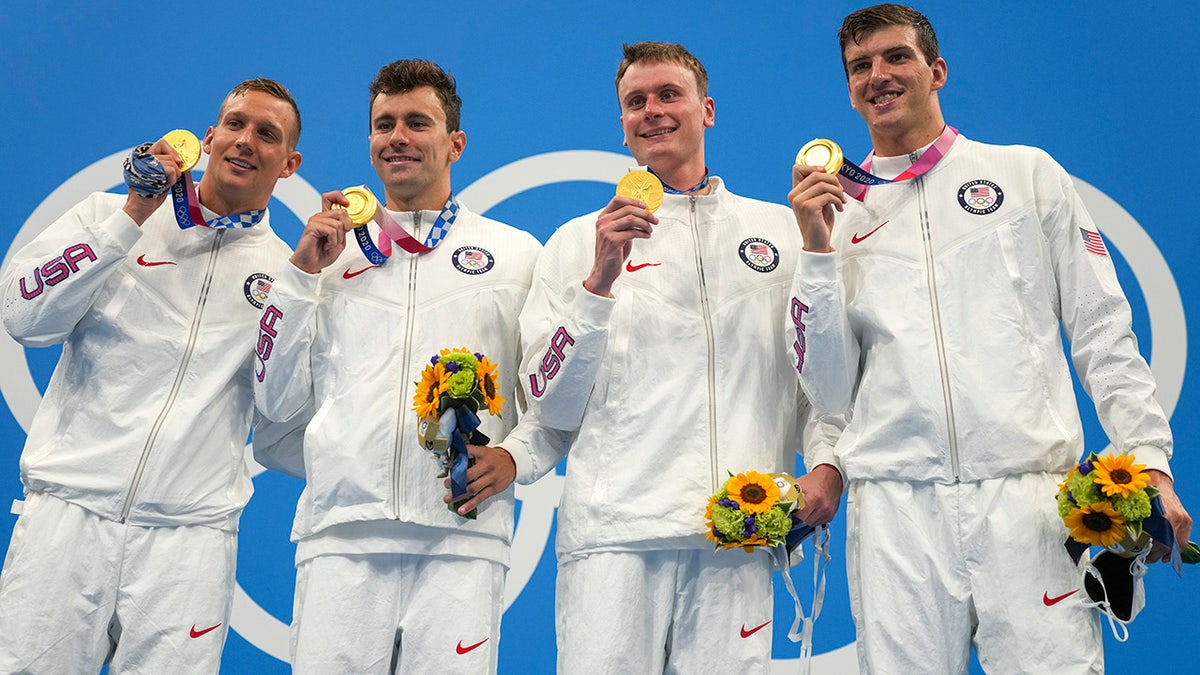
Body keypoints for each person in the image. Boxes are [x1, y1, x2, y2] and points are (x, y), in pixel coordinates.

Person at [787, 4, 1192, 672]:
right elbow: (827, 390)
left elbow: (1101, 330)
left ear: (936, 70)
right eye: (860, 66)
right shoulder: (835, 216)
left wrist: (1148, 455)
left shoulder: (1026, 175)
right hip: (896, 509)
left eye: (896, 58)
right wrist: (815, 253)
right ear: (849, 87)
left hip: (1027, 500)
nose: (877, 75)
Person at [503, 41, 842, 673]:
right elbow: (546, 402)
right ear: (623, 125)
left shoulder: (779, 232)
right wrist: (599, 282)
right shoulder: (577, 242)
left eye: (668, 95)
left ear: (706, 109)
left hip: (737, 534)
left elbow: (819, 384)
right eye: (636, 102)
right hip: (614, 541)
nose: (652, 111)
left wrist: (827, 464)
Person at [0, 78, 303, 673]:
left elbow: (283, 407)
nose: (246, 141)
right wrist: (132, 215)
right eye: (235, 125)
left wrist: (301, 293)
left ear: (289, 163)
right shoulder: (107, 217)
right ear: (208, 138)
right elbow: (22, 315)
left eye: (267, 134)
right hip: (68, 519)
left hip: (187, 544)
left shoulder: (286, 275)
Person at [252, 59, 542, 674]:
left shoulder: (516, 255)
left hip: (461, 539)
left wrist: (517, 458)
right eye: (385, 124)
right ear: (370, 142)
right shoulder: (323, 258)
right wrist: (301, 276)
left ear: (454, 143)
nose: (398, 137)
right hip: (341, 538)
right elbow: (273, 403)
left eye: (417, 122)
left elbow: (551, 395)